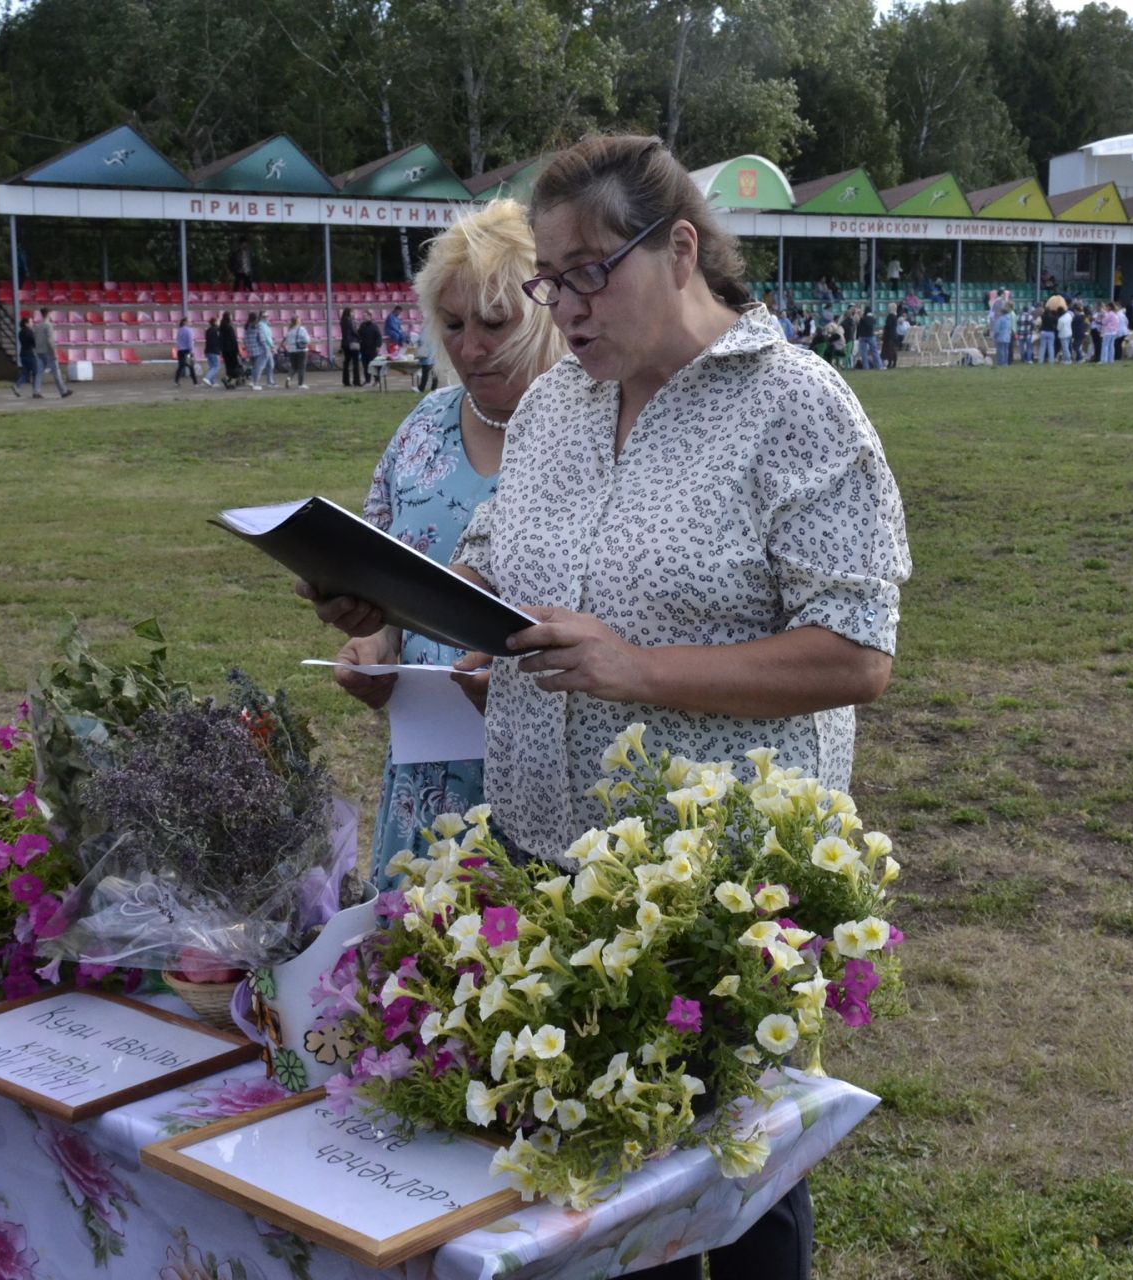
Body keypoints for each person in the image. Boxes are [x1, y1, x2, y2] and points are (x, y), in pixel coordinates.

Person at [302, 137, 909, 1280]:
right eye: (550, 277)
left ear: (680, 248)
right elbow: (487, 576)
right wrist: (382, 601)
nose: (564, 307)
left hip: (719, 881)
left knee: (734, 1173)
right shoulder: (553, 413)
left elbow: (856, 652)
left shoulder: (798, 408)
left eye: (591, 270)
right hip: (550, 860)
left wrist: (638, 668)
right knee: (602, 1174)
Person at [323, 200, 566, 881]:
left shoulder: (592, 435)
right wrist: (375, 645)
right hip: (425, 780)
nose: (469, 346)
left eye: (495, 323)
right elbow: (382, 580)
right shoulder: (420, 429)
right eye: (453, 324)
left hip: (549, 787)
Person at [34, 308, 71, 397]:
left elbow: (36, 340)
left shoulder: (38, 326)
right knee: (56, 372)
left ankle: (36, 391)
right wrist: (54, 352)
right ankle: (63, 391)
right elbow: (50, 340)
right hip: (48, 352)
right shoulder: (48, 326)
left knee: (39, 373)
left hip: (39, 352)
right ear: (48, 314)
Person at [12, 314, 38, 396]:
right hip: (30, 354)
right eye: (31, 322)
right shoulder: (30, 332)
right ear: (26, 323)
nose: (32, 323)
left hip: (23, 353)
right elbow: (34, 342)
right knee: (35, 372)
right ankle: (35, 391)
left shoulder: (20, 332)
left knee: (25, 373)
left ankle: (17, 385)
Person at [283, 315, 311, 389]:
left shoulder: (289, 330)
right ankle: (300, 384)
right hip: (301, 350)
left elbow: (287, 340)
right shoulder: (301, 329)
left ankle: (289, 377)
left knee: (293, 366)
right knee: (301, 367)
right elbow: (306, 340)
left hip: (292, 350)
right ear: (298, 321)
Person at [357, 310, 382, 383]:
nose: (364, 317)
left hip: (372, 349)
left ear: (370, 317)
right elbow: (358, 335)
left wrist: (378, 346)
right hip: (364, 349)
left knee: (374, 365)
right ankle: (367, 380)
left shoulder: (374, 326)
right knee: (365, 366)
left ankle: (377, 379)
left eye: (365, 316)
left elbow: (379, 337)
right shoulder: (362, 325)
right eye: (363, 316)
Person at [219, 312, 242, 388]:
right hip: (231, 350)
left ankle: (228, 380)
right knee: (234, 366)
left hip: (225, 350)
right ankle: (230, 380)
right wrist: (237, 351)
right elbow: (233, 340)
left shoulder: (221, 328)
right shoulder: (229, 328)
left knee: (228, 366)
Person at [174, 316, 198, 387]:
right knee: (191, 366)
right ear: (185, 322)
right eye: (189, 321)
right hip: (187, 351)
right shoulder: (189, 330)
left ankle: (176, 381)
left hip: (180, 351)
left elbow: (178, 341)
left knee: (180, 366)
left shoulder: (179, 330)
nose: (190, 322)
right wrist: (192, 351)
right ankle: (195, 382)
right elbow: (190, 342)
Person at [254, 312, 276, 389]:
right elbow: (265, 337)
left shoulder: (266, 325)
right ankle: (256, 383)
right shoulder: (261, 325)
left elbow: (269, 336)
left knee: (271, 365)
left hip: (268, 346)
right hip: (265, 347)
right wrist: (272, 346)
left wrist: (272, 345)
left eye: (267, 316)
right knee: (261, 366)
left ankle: (270, 382)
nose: (267, 317)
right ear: (261, 317)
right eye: (265, 316)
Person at [339, 307, 361, 387]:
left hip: (344, 343)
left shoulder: (342, 321)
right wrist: (360, 337)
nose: (353, 314)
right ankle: (356, 381)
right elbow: (354, 332)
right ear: (349, 313)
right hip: (352, 343)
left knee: (346, 363)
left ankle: (346, 381)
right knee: (355, 363)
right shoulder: (350, 321)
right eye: (352, 312)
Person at [203, 315, 223, 387]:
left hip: (208, 350)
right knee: (216, 366)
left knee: (212, 367)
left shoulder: (208, 330)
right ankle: (207, 378)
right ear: (215, 322)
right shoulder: (218, 330)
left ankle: (212, 382)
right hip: (215, 350)